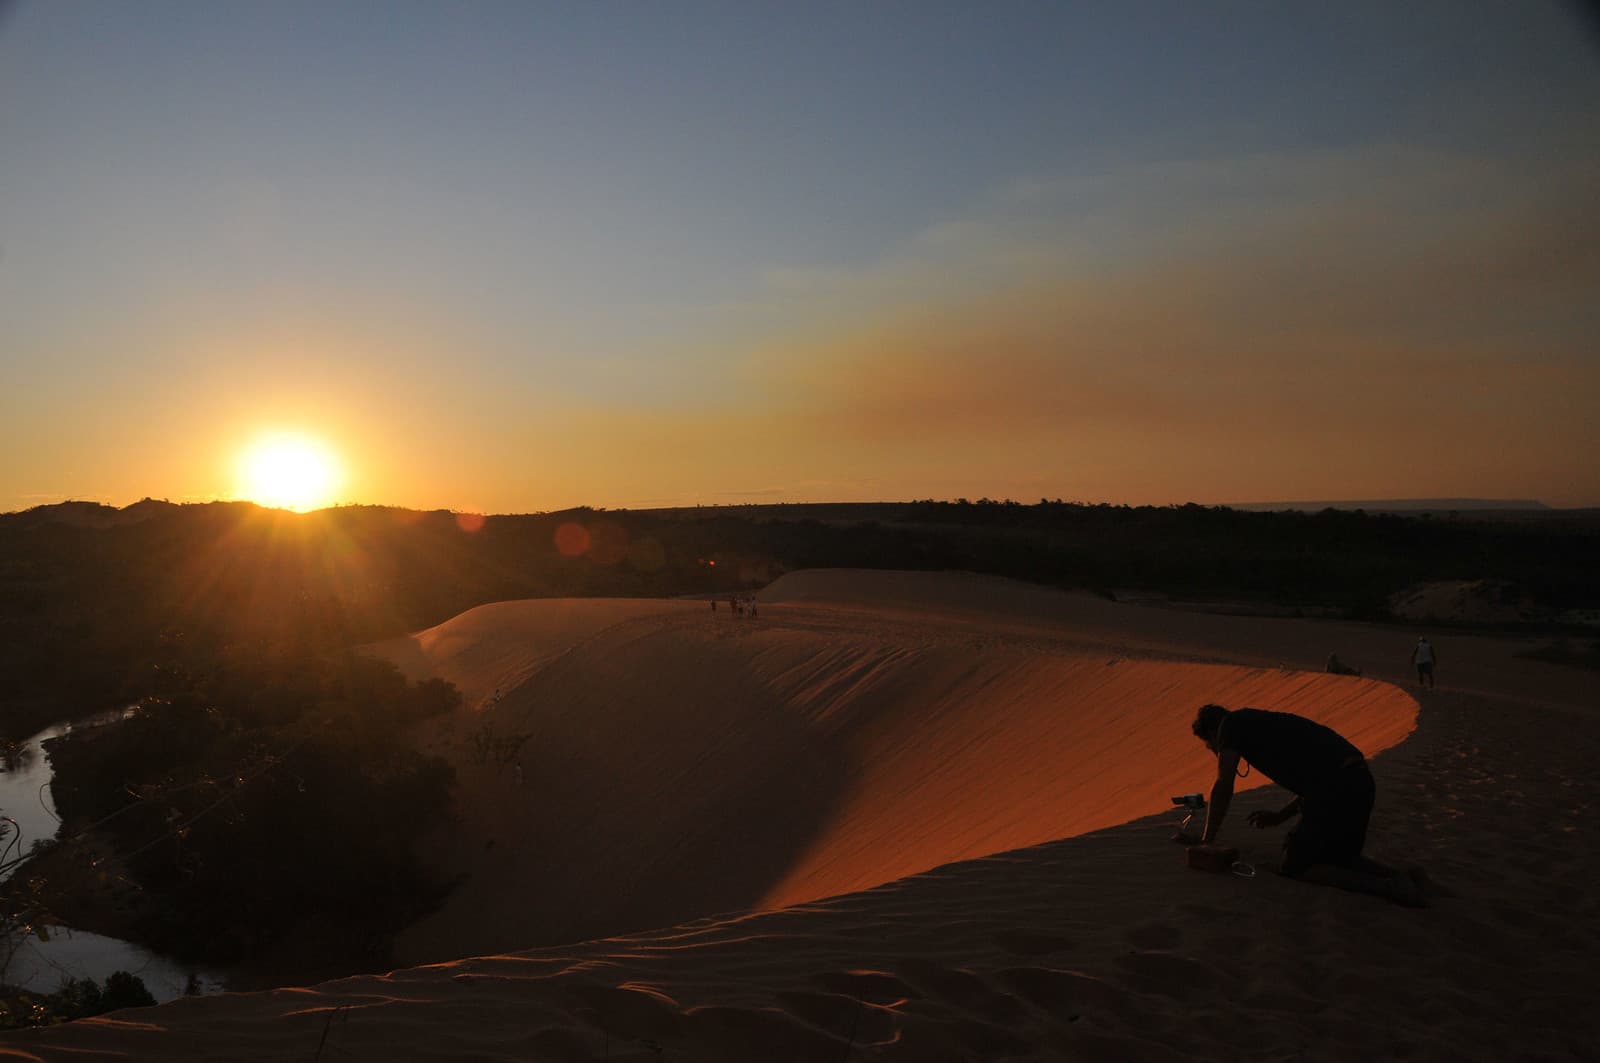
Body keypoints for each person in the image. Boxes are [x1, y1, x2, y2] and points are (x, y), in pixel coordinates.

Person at [1182, 703, 1430, 906]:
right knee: (1339, 858)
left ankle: (1388, 888)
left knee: (1296, 866)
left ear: (1212, 733)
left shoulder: (1231, 726)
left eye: (1210, 745)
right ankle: (1402, 876)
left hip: (1339, 787)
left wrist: (1207, 839)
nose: (1213, 751)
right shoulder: (1257, 723)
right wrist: (1280, 816)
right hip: (1360, 781)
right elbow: (1318, 776)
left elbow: (1223, 784)